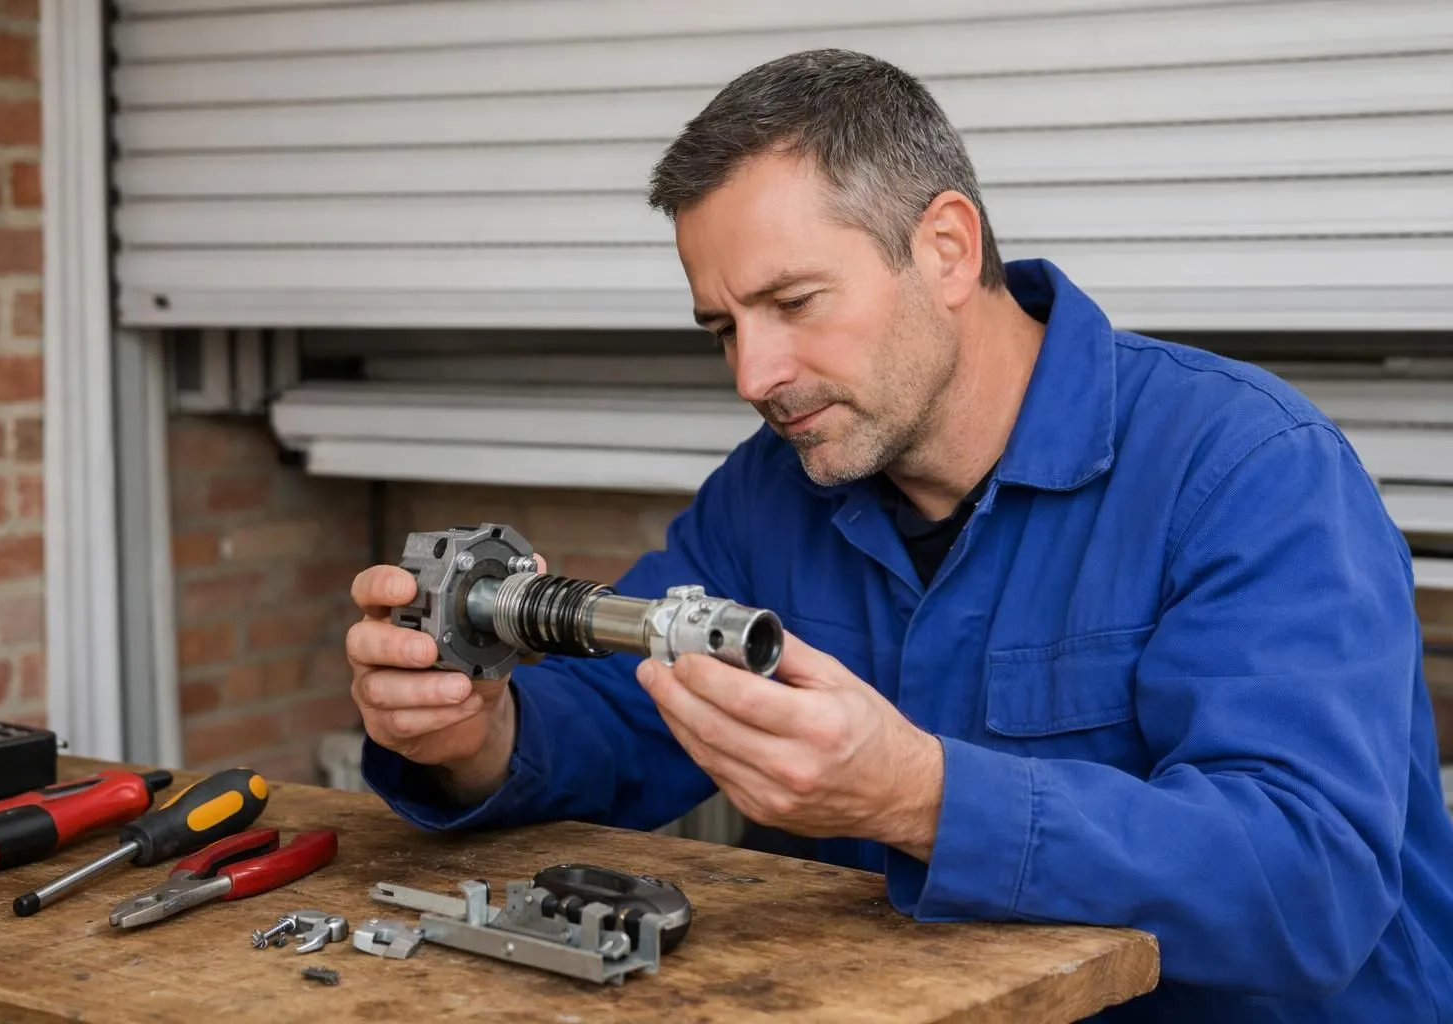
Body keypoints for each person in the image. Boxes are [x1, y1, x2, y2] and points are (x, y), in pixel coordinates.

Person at [345, 49, 1453, 1021]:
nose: (754, 374)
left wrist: (919, 795)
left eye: (794, 302)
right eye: (724, 326)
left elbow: (1310, 884)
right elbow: (614, 721)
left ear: (947, 248)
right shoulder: (768, 497)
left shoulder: (1247, 470)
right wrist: (469, 736)